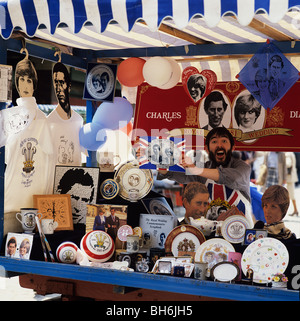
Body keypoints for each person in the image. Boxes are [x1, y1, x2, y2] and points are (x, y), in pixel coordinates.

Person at [157, 127, 253, 226]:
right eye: (214, 141)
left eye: (224, 141)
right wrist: (153, 157)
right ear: (207, 149)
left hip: (242, 233)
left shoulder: (243, 167)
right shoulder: (203, 167)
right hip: (211, 233)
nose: (219, 145)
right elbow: (173, 172)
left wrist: (196, 170)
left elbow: (234, 178)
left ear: (232, 147)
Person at [285, 152, 299, 216]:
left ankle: (295, 210)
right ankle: (295, 210)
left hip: (288, 177)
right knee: (290, 194)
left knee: (290, 195)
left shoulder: (287, 153)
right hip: (290, 177)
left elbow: (288, 164)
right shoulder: (291, 153)